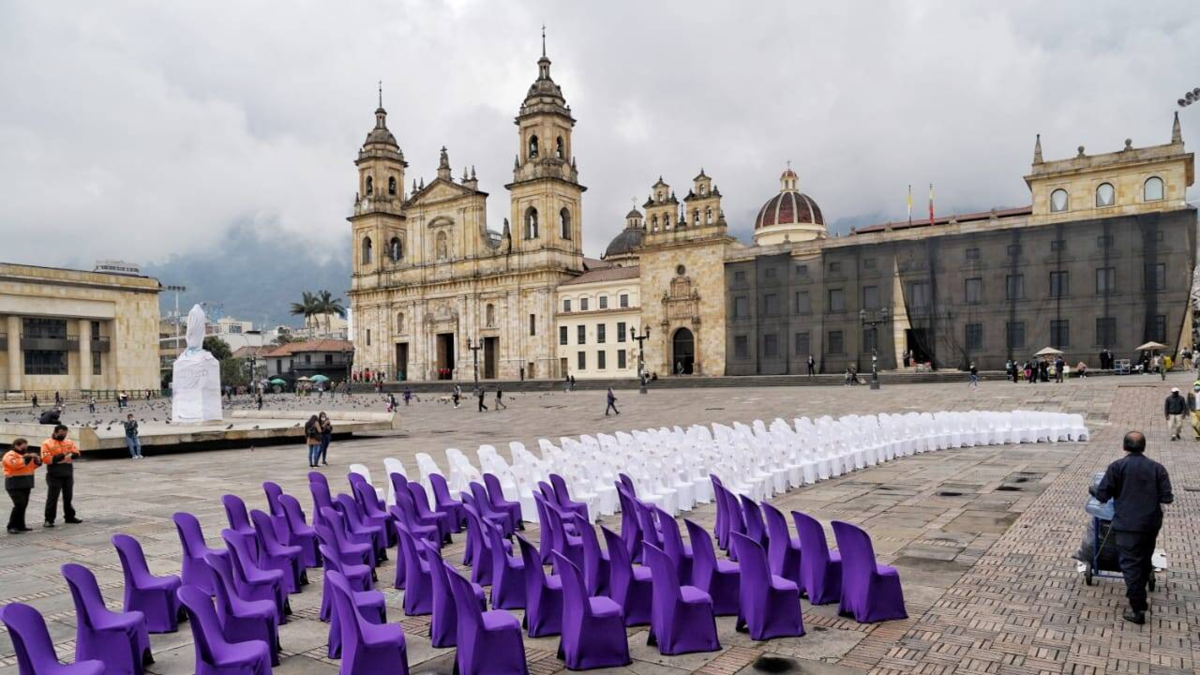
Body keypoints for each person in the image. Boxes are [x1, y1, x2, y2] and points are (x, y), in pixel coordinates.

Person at [1089, 431, 1172, 624]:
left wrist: (1093, 489)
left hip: (1127, 525)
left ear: (1124, 447)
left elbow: (1102, 496)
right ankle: (1140, 600)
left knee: (1131, 565)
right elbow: (1167, 497)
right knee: (1143, 560)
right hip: (1150, 524)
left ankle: (1137, 609)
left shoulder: (1117, 467)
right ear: (1144, 447)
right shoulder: (1158, 468)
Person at [41, 425, 82, 527]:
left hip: (67, 472)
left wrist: (72, 455)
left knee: (68, 496)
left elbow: (76, 452)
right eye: (61, 434)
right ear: (55, 432)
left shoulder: (68, 442)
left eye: (65, 434)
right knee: (52, 497)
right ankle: (49, 519)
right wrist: (63, 454)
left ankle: (69, 517)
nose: (63, 435)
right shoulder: (47, 443)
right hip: (54, 473)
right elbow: (47, 459)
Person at [4, 438, 41, 534]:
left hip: (26, 483)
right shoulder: (10, 455)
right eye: (23, 447)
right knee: (19, 504)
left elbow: (31, 467)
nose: (25, 449)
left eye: (26, 447)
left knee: (23, 505)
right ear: (16, 445)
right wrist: (28, 457)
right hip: (14, 483)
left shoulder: (24, 455)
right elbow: (15, 465)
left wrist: (37, 461)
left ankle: (21, 525)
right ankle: (11, 526)